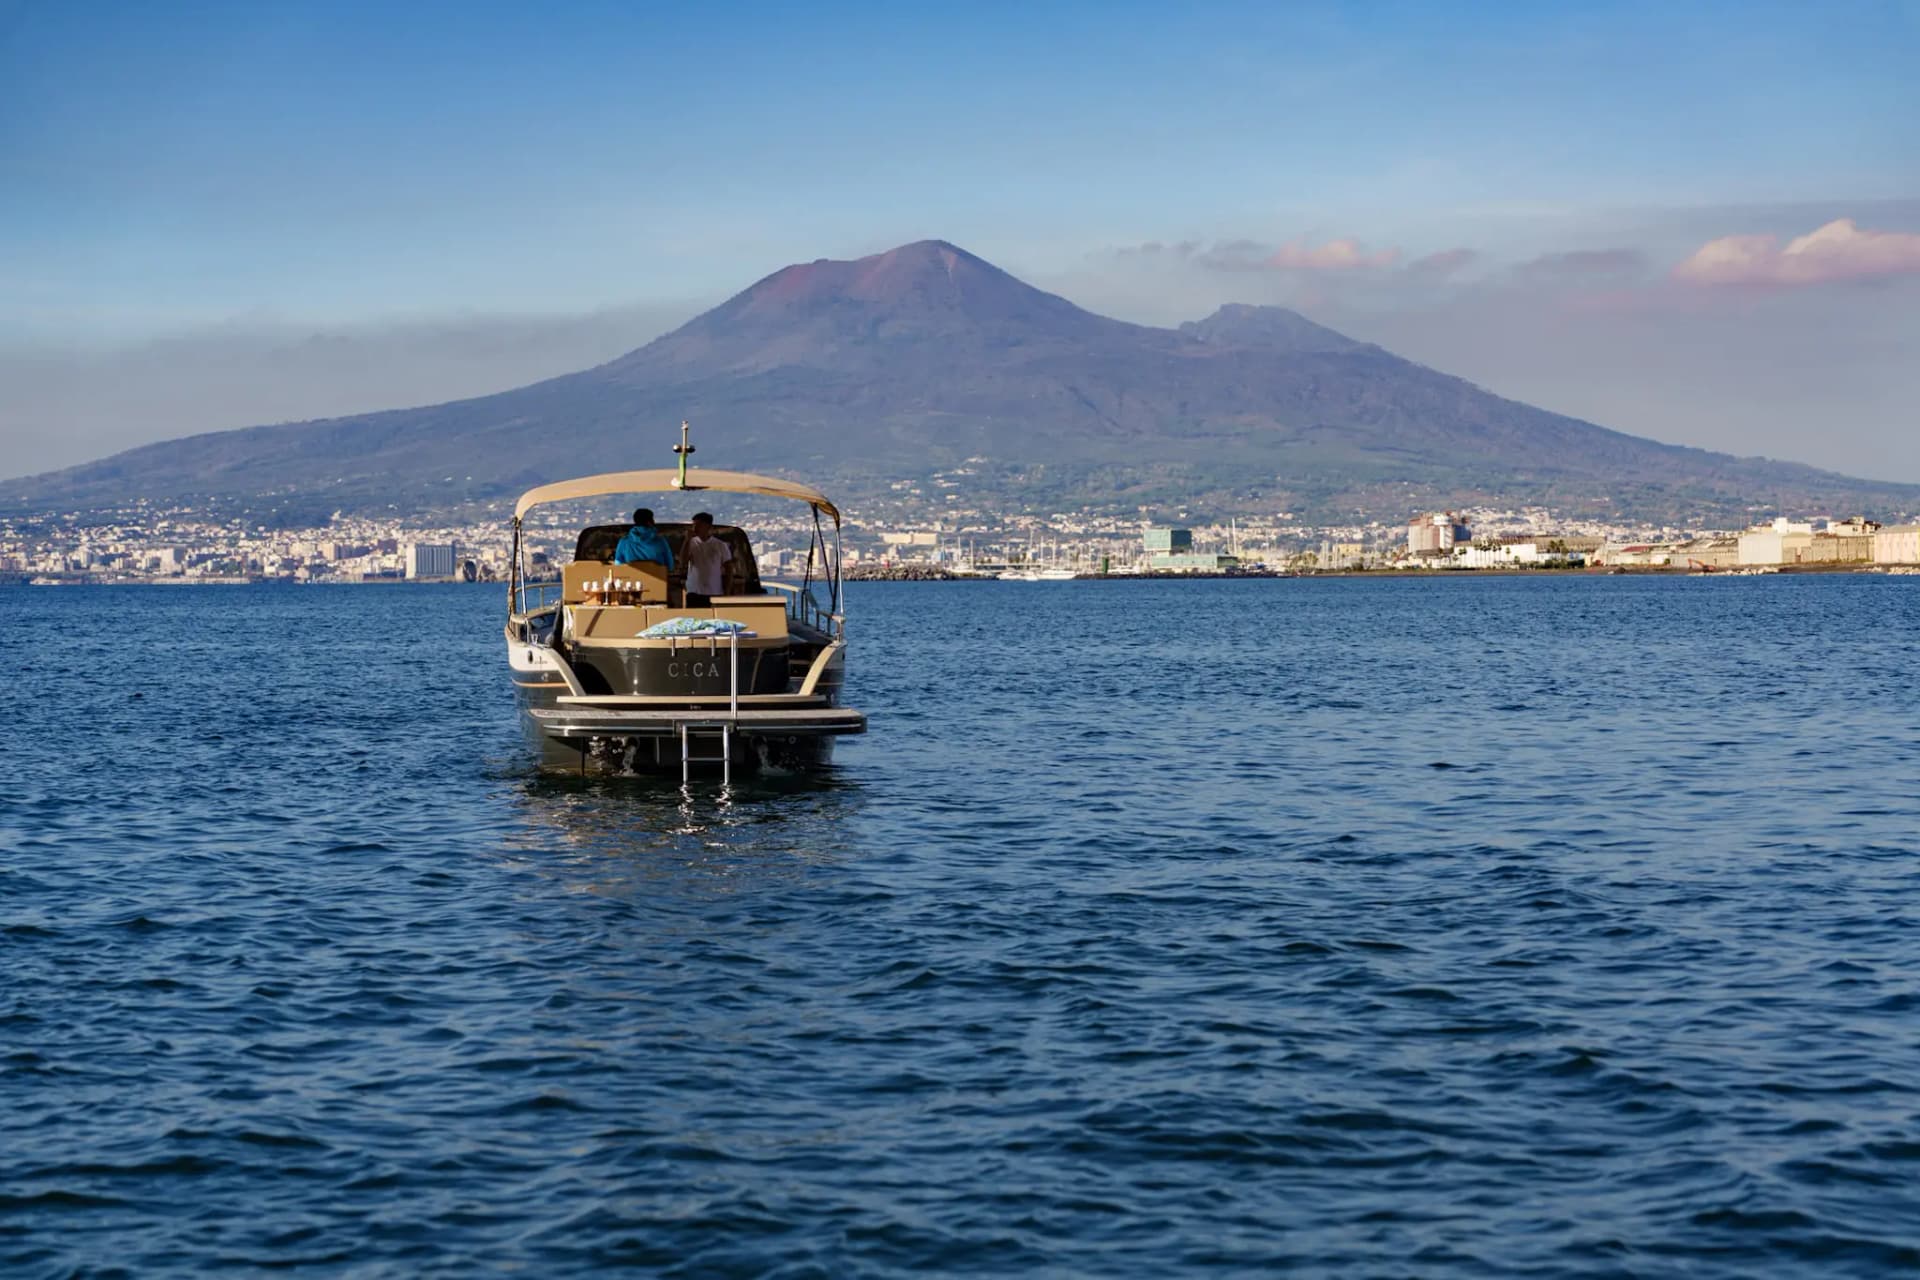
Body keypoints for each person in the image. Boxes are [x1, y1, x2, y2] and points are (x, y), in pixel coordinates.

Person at [682, 511, 734, 608]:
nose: (695, 528)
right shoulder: (691, 543)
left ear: (708, 527)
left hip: (714, 591)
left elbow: (729, 568)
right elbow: (683, 561)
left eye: (699, 525)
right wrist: (687, 541)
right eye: (694, 525)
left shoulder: (720, 545)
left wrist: (727, 590)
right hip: (694, 591)